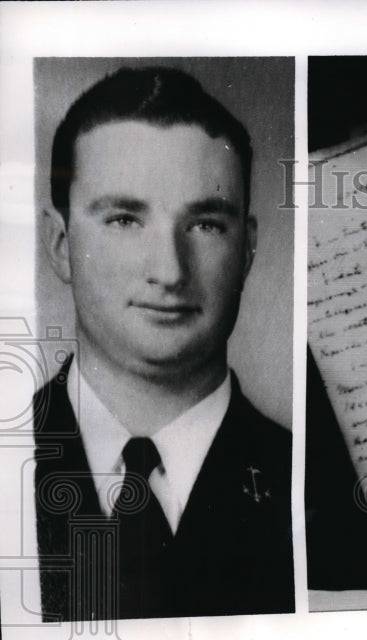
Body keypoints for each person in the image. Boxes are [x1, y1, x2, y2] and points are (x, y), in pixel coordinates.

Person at [33, 66, 293, 621]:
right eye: (125, 219)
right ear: (60, 245)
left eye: (205, 224)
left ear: (247, 249)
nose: (170, 272)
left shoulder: (320, 488)